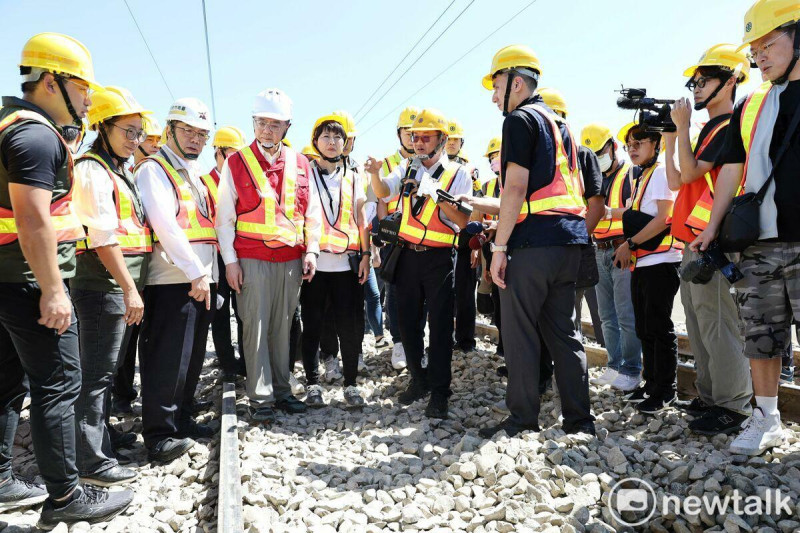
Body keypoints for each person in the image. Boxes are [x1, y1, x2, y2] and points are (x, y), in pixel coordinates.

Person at [0, 32, 133, 528]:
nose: (88, 99)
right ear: (51, 82)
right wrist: (54, 290)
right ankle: (66, 495)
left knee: (8, 383)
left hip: (7, 278)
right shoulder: (35, 135)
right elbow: (33, 219)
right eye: (82, 88)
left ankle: (3, 482)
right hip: (29, 282)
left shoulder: (9, 123)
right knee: (59, 384)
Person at [692, 0, 800, 455]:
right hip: (758, 242)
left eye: (769, 44)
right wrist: (712, 228)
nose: (759, 56)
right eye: (755, 48)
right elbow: (732, 172)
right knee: (760, 336)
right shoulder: (753, 104)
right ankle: (767, 418)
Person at [476, 45, 595, 438]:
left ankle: (522, 420)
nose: (494, 97)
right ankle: (580, 421)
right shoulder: (560, 124)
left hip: (533, 245)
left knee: (521, 332)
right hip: (569, 243)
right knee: (565, 333)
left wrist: (499, 247)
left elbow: (515, 188)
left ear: (517, 82)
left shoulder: (519, 120)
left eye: (497, 87)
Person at [664, 44, 753, 435]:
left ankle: (733, 406)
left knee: (717, 321)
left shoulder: (727, 125)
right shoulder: (708, 131)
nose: (695, 88)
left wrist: (682, 129)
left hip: (711, 242)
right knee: (700, 324)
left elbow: (687, 175)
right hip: (694, 240)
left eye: (703, 81)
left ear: (730, 81)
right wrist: (674, 137)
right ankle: (713, 397)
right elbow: (677, 178)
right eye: (694, 81)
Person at [216, 89, 320, 423]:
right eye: (262, 122)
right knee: (255, 328)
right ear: (254, 123)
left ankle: (282, 390)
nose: (267, 130)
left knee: (282, 327)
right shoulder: (236, 162)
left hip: (290, 261)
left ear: (287, 127)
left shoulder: (301, 163)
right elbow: (224, 219)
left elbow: (313, 213)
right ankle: (260, 398)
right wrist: (230, 261)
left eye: (275, 124)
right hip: (252, 261)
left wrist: (313, 250)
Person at [366, 108, 472, 419]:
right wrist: (374, 173)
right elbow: (384, 190)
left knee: (439, 327)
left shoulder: (458, 174)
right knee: (407, 323)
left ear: (443, 140)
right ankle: (418, 378)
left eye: (426, 137)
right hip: (407, 255)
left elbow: (463, 220)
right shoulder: (406, 168)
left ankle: (440, 391)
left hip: (439, 259)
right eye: (415, 137)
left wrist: (437, 195)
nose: (419, 142)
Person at [71, 86, 153, 487]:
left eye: (139, 132)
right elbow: (102, 238)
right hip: (103, 287)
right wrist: (129, 288)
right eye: (128, 131)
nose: (135, 140)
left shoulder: (120, 168)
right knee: (97, 374)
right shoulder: (92, 169)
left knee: (112, 366)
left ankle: (102, 436)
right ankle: (92, 461)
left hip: (120, 286)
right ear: (102, 127)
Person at [134, 97, 217, 462]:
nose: (196, 139)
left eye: (203, 134)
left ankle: (181, 419)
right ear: (169, 129)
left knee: (191, 356)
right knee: (167, 357)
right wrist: (196, 271)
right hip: (172, 279)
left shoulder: (191, 172)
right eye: (188, 131)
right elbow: (166, 226)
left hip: (197, 278)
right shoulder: (154, 169)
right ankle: (159, 435)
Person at [535, 88, 606, 394]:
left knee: (567, 324)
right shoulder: (536, 153)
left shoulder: (582, 154)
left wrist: (577, 240)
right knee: (544, 322)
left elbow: (597, 206)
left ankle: (569, 392)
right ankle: (543, 383)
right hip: (542, 251)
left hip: (569, 251)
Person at [612, 123, 684, 414]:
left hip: (661, 260)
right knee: (644, 326)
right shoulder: (644, 175)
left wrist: (630, 242)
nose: (632, 148)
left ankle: (666, 390)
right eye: (629, 144)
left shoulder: (662, 172)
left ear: (657, 144)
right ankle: (651, 383)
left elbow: (664, 219)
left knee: (658, 326)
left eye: (638, 143)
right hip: (644, 259)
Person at [301, 115, 371, 408]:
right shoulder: (304, 174)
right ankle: (312, 383)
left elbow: (362, 218)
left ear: (346, 143)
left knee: (350, 327)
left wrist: (367, 254)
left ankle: (351, 384)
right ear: (316, 141)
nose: (332, 143)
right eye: (326, 137)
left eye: (337, 138)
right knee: (313, 325)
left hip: (345, 265)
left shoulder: (354, 177)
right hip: (314, 266)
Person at [581, 123, 643, 391]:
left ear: (612, 147)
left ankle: (632, 369)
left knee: (626, 314)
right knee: (607, 315)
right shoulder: (593, 178)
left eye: (601, 152)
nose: (597, 159)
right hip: (600, 249)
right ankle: (615, 365)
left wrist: (609, 213)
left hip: (622, 250)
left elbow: (638, 211)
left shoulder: (632, 173)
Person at [111, 114, 162, 417]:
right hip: (121, 272)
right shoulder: (126, 175)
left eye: (157, 140)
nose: (154, 145)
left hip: (145, 270)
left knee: (135, 337)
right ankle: (121, 395)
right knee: (121, 345)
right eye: (150, 140)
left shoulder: (137, 175)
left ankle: (127, 393)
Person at [202, 126, 248, 381]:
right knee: (219, 313)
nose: (234, 160)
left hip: (240, 255)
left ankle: (245, 359)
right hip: (216, 259)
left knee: (243, 312)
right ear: (218, 154)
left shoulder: (242, 182)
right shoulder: (204, 183)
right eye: (230, 154)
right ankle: (228, 364)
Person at [377, 106, 419, 371]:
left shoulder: (428, 160)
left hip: (422, 234)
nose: (413, 138)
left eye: (418, 133)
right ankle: (399, 343)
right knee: (394, 289)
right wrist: (383, 233)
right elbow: (381, 199)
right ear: (399, 134)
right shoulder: (390, 163)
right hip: (396, 235)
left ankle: (417, 341)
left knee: (420, 293)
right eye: (408, 132)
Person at [446, 119, 480, 353]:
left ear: (461, 143)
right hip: (442, 237)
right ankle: (444, 338)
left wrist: (474, 241)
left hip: (464, 238)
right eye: (447, 140)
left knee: (466, 293)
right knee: (443, 294)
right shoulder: (432, 166)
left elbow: (475, 205)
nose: (450, 144)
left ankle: (466, 340)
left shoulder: (468, 170)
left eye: (454, 140)